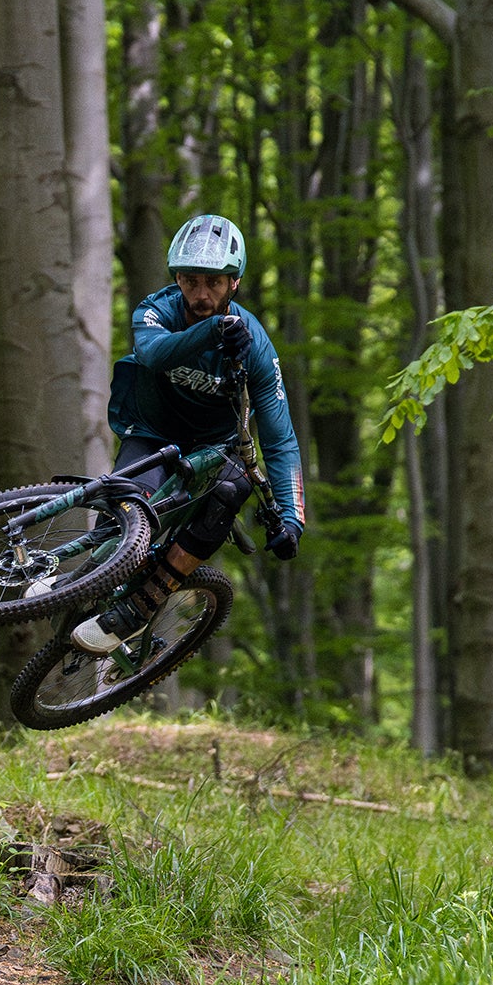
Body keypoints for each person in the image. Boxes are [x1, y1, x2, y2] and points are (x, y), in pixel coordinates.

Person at [71, 213, 307, 654]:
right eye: (190, 280)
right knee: (130, 503)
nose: (200, 294)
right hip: (152, 430)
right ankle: (78, 580)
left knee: (234, 486)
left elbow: (279, 437)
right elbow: (153, 353)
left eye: (214, 283)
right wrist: (211, 331)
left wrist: (292, 518)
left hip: (215, 446)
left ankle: (145, 602)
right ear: (176, 278)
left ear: (234, 283)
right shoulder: (156, 309)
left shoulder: (255, 343)